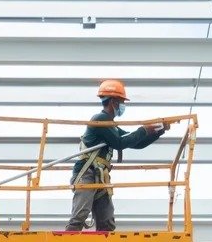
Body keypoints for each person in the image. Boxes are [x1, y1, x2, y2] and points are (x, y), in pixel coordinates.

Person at [65, 79, 168, 232]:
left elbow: (135, 143)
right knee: (80, 215)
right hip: (87, 173)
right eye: (120, 101)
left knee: (106, 221)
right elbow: (119, 143)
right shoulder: (100, 120)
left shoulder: (111, 125)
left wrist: (158, 131)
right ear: (113, 101)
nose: (122, 105)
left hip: (100, 175)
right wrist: (144, 129)